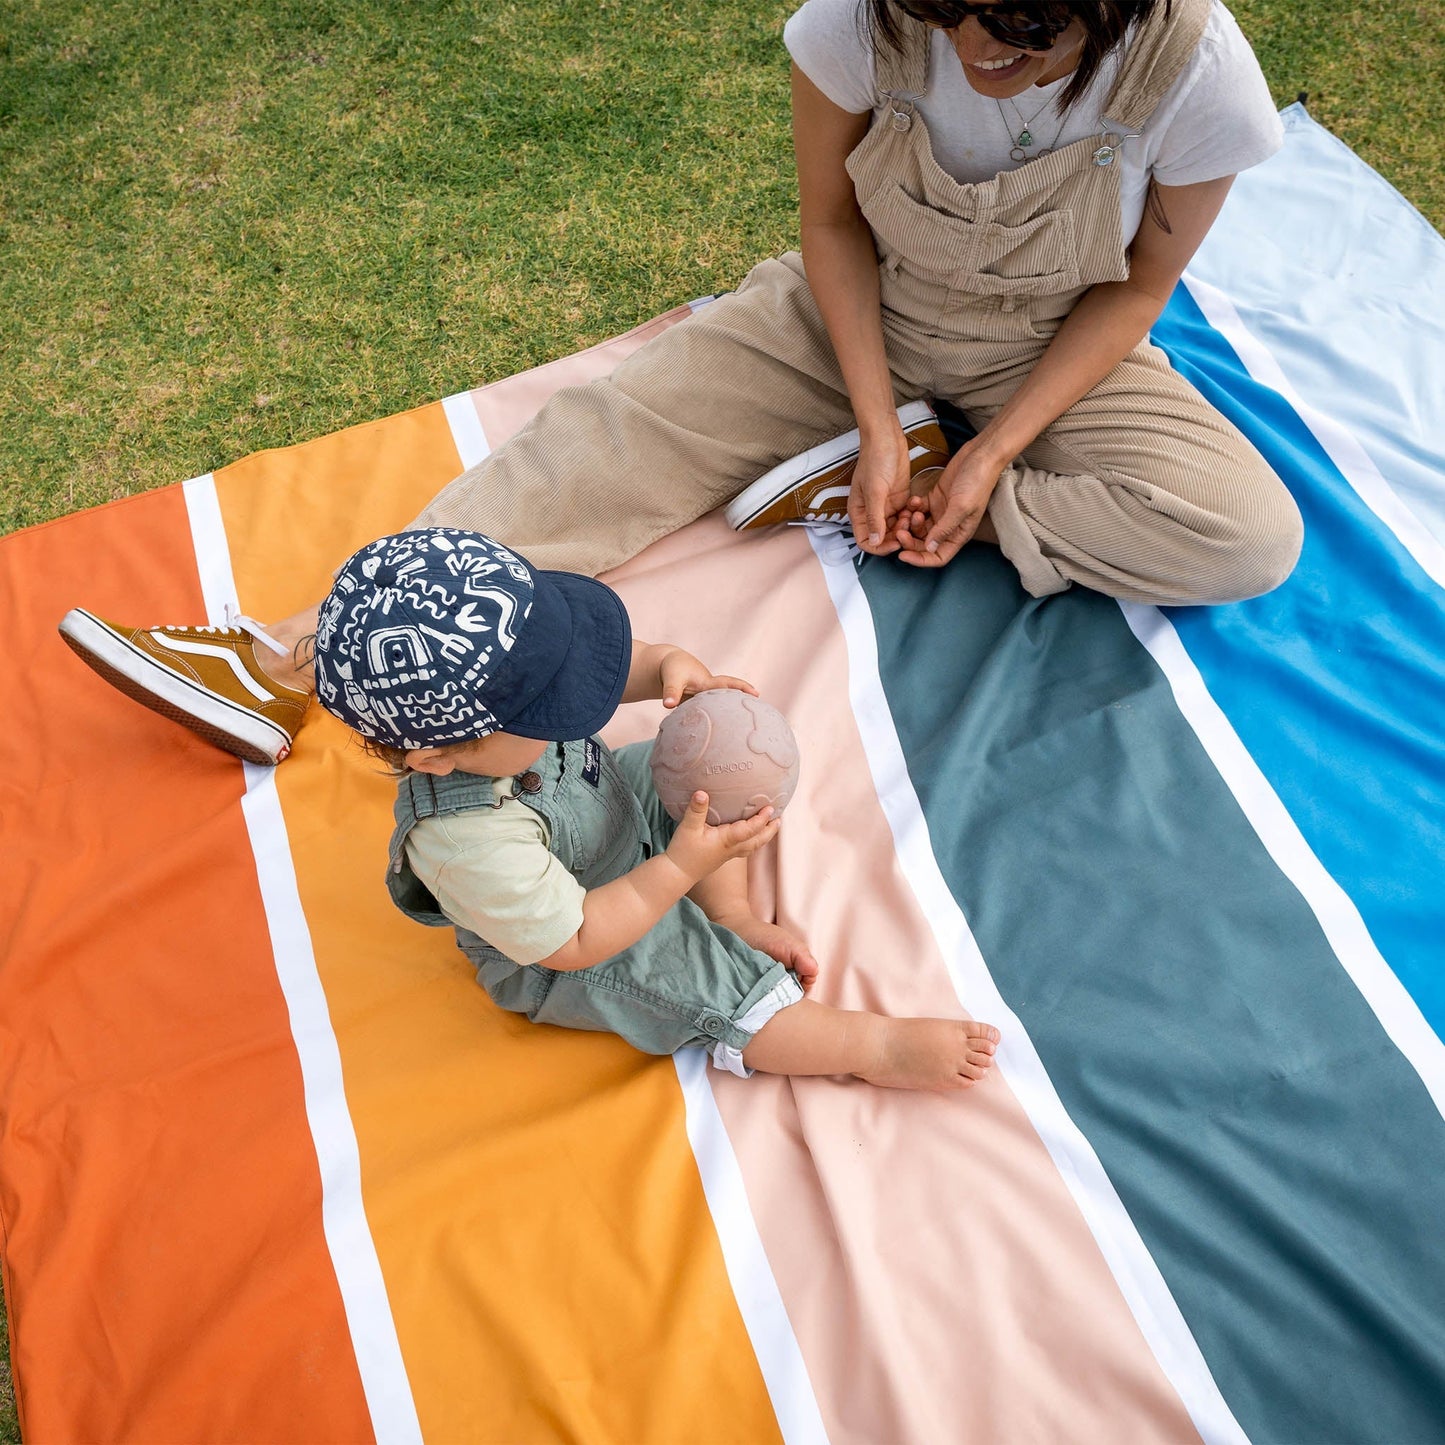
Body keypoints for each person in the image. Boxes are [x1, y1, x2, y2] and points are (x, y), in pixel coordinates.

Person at [60, 0, 1303, 765]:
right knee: (603, 441)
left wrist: (981, 462)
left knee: (1245, 537)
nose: (975, 52)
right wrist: (874, 415)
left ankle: (930, 471)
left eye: (1024, 32)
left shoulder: (1194, 77)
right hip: (848, 311)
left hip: (1049, 344)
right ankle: (279, 662)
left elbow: (1136, 291)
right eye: (953, 12)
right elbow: (829, 224)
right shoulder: (856, 20)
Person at [310, 526, 1000, 1090]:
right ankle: (869, 1046)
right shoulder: (465, 844)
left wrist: (669, 664)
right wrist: (675, 868)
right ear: (436, 758)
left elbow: (602, 669)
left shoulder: (497, 711)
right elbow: (577, 938)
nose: (570, 701)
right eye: (545, 705)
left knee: (689, 776)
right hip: (574, 945)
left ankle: (726, 913)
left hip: (605, 820)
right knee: (695, 979)